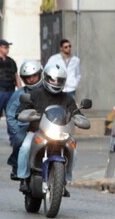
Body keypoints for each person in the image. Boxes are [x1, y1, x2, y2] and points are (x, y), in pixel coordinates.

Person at [16, 64, 78, 195]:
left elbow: (75, 112)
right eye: (52, 79)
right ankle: (23, 179)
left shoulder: (67, 98)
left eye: (59, 80)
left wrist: (79, 117)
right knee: (25, 148)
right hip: (37, 131)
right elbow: (22, 107)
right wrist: (22, 113)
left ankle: (65, 180)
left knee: (74, 150)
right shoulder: (35, 94)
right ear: (46, 78)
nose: (55, 83)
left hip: (61, 133)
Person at [6, 60, 43, 181]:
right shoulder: (19, 94)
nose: (31, 79)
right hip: (25, 126)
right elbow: (10, 115)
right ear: (23, 78)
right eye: (28, 77)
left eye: (34, 76)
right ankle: (15, 165)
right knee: (19, 139)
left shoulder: (48, 91)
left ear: (40, 74)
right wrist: (16, 130)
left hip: (45, 126)